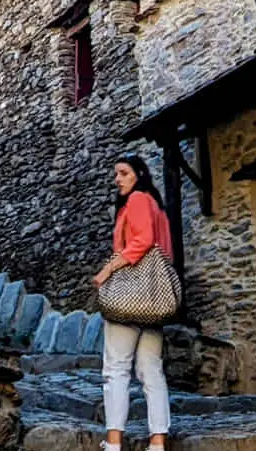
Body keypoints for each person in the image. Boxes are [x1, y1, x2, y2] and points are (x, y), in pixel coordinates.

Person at [91, 153, 172, 450]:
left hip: (130, 295)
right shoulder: (158, 206)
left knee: (115, 368)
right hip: (154, 298)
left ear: (139, 173)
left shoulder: (137, 200)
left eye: (123, 173)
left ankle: (114, 441)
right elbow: (164, 253)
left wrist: (107, 271)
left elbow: (141, 241)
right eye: (117, 174)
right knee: (151, 369)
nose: (118, 179)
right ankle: (158, 441)